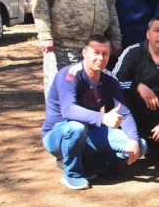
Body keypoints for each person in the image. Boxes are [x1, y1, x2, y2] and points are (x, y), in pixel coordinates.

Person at [42, 35, 146, 190]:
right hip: (58, 135)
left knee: (139, 146)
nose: (100, 58)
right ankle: (72, 174)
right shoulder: (69, 75)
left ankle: (86, 165)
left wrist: (133, 139)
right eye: (95, 53)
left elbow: (124, 113)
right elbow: (68, 110)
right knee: (76, 127)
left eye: (105, 54)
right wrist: (102, 117)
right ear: (84, 53)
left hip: (89, 135)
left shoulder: (109, 79)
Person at [112, 16, 159, 157]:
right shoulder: (133, 52)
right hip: (133, 116)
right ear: (148, 34)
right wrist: (137, 86)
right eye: (157, 30)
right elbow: (113, 83)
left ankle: (157, 145)